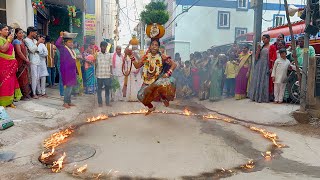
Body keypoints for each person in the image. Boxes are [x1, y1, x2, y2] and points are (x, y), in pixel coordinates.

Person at [126, 39, 177, 115]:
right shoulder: (146, 57)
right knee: (140, 96)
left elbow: (174, 65)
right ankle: (151, 107)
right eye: (152, 45)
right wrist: (131, 56)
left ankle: (163, 98)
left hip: (158, 80)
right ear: (150, 46)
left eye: (156, 45)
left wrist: (167, 74)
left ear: (158, 47)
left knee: (167, 82)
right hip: (147, 81)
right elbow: (137, 66)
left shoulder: (162, 57)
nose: (154, 47)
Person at [0, 24, 22, 107]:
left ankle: (10, 101)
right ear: (0, 31)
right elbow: (3, 49)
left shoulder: (7, 39)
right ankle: (3, 103)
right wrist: (9, 40)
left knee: (11, 83)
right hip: (4, 65)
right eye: (5, 29)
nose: (7, 31)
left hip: (11, 66)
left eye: (7, 29)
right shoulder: (1, 39)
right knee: (5, 83)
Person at [56, 32, 78, 108]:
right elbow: (57, 44)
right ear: (65, 43)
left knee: (71, 86)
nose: (71, 43)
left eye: (72, 42)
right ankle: (65, 102)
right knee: (68, 86)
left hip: (72, 71)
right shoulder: (63, 48)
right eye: (69, 42)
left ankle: (69, 101)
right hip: (66, 70)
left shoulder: (72, 50)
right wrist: (61, 36)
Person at [249, 34, 271, 103]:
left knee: (264, 81)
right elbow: (256, 58)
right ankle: (256, 96)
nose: (263, 40)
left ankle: (263, 97)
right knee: (258, 80)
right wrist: (258, 50)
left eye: (264, 39)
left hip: (266, 65)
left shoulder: (271, 46)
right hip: (259, 65)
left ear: (268, 39)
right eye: (262, 39)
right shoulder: (261, 47)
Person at [13, 28, 32, 100]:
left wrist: (27, 59)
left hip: (24, 61)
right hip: (19, 62)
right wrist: (26, 60)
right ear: (16, 34)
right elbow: (19, 53)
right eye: (19, 33)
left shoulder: (23, 41)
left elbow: (25, 52)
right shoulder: (16, 41)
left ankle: (26, 93)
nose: (21, 34)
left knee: (26, 77)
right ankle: (22, 94)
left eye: (22, 33)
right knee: (21, 78)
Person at [24, 26, 41, 99]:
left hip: (37, 60)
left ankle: (37, 92)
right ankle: (33, 93)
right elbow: (32, 50)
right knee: (34, 77)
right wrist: (37, 44)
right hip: (32, 61)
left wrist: (36, 46)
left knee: (37, 77)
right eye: (35, 32)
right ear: (31, 32)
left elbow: (38, 50)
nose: (36, 34)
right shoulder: (26, 40)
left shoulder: (34, 40)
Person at [95, 41, 112, 107]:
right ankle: (100, 103)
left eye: (105, 46)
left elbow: (110, 64)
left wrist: (111, 73)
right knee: (99, 89)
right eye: (103, 46)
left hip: (107, 74)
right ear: (100, 46)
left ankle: (107, 102)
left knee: (107, 89)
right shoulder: (97, 54)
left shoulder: (109, 55)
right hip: (99, 74)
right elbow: (95, 63)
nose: (104, 47)